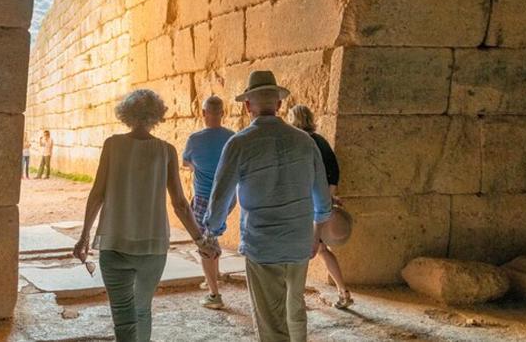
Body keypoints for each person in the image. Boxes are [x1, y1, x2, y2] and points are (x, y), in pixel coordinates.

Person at [73, 89, 218, 342]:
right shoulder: (166, 151)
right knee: (142, 309)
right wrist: (200, 241)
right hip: (153, 247)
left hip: (114, 243)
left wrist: (84, 236)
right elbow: (180, 204)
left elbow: (97, 194)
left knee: (123, 315)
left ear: (126, 114)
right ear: (157, 115)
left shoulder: (112, 145)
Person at [203, 70, 332, 342]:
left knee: (271, 324)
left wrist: (212, 231)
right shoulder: (305, 141)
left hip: (263, 244)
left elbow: (220, 195)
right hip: (299, 240)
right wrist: (316, 233)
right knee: (295, 310)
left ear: (247, 106)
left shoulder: (239, 143)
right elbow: (322, 196)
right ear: (279, 104)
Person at [287, 104, 353, 309]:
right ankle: (343, 292)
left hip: (307, 205)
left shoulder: (300, 143)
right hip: (322, 204)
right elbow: (333, 173)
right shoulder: (321, 141)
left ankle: (296, 298)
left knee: (303, 250)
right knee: (322, 249)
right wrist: (329, 198)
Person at [182, 96, 235, 309]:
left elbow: (186, 162)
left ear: (203, 113)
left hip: (204, 197)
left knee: (204, 242)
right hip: (228, 197)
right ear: (223, 113)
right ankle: (214, 275)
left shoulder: (195, 139)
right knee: (212, 236)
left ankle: (214, 295)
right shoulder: (232, 137)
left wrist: (197, 167)